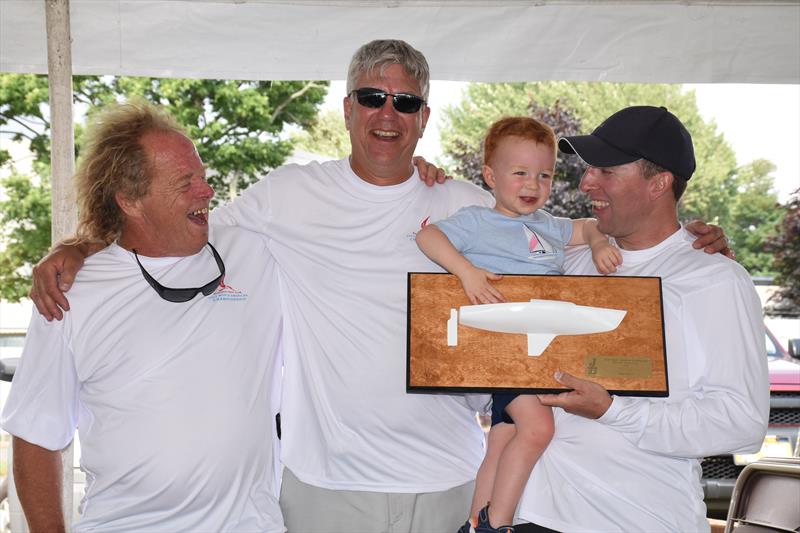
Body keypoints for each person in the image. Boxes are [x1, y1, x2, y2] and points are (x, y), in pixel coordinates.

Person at [28, 43, 730, 531]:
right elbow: (171, 230)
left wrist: (683, 243)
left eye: (405, 100)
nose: (387, 113)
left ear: (424, 117)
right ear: (347, 108)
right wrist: (83, 244)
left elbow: (564, 256)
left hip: (449, 481)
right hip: (323, 493)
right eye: (372, 96)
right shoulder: (287, 198)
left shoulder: (470, 204)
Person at [1, 101, 285, 532]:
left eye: (203, 176)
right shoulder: (72, 293)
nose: (206, 192)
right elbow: (36, 436)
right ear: (130, 200)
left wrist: (424, 175)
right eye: (185, 182)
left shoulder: (256, 249)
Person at [511, 106, 769, 533]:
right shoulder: (571, 258)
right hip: (533, 515)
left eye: (606, 171)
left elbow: (740, 421)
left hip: (637, 520)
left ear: (659, 183)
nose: (585, 182)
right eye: (589, 168)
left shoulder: (714, 277)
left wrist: (613, 411)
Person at [415, 116, 620, 533]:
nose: (533, 184)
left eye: (544, 175)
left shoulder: (550, 225)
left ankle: (474, 522)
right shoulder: (477, 221)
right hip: (505, 349)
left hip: (539, 354)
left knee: (504, 437)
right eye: (520, 173)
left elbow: (591, 225)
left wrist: (599, 243)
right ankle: (499, 522)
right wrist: (466, 271)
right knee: (538, 427)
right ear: (491, 176)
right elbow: (428, 238)